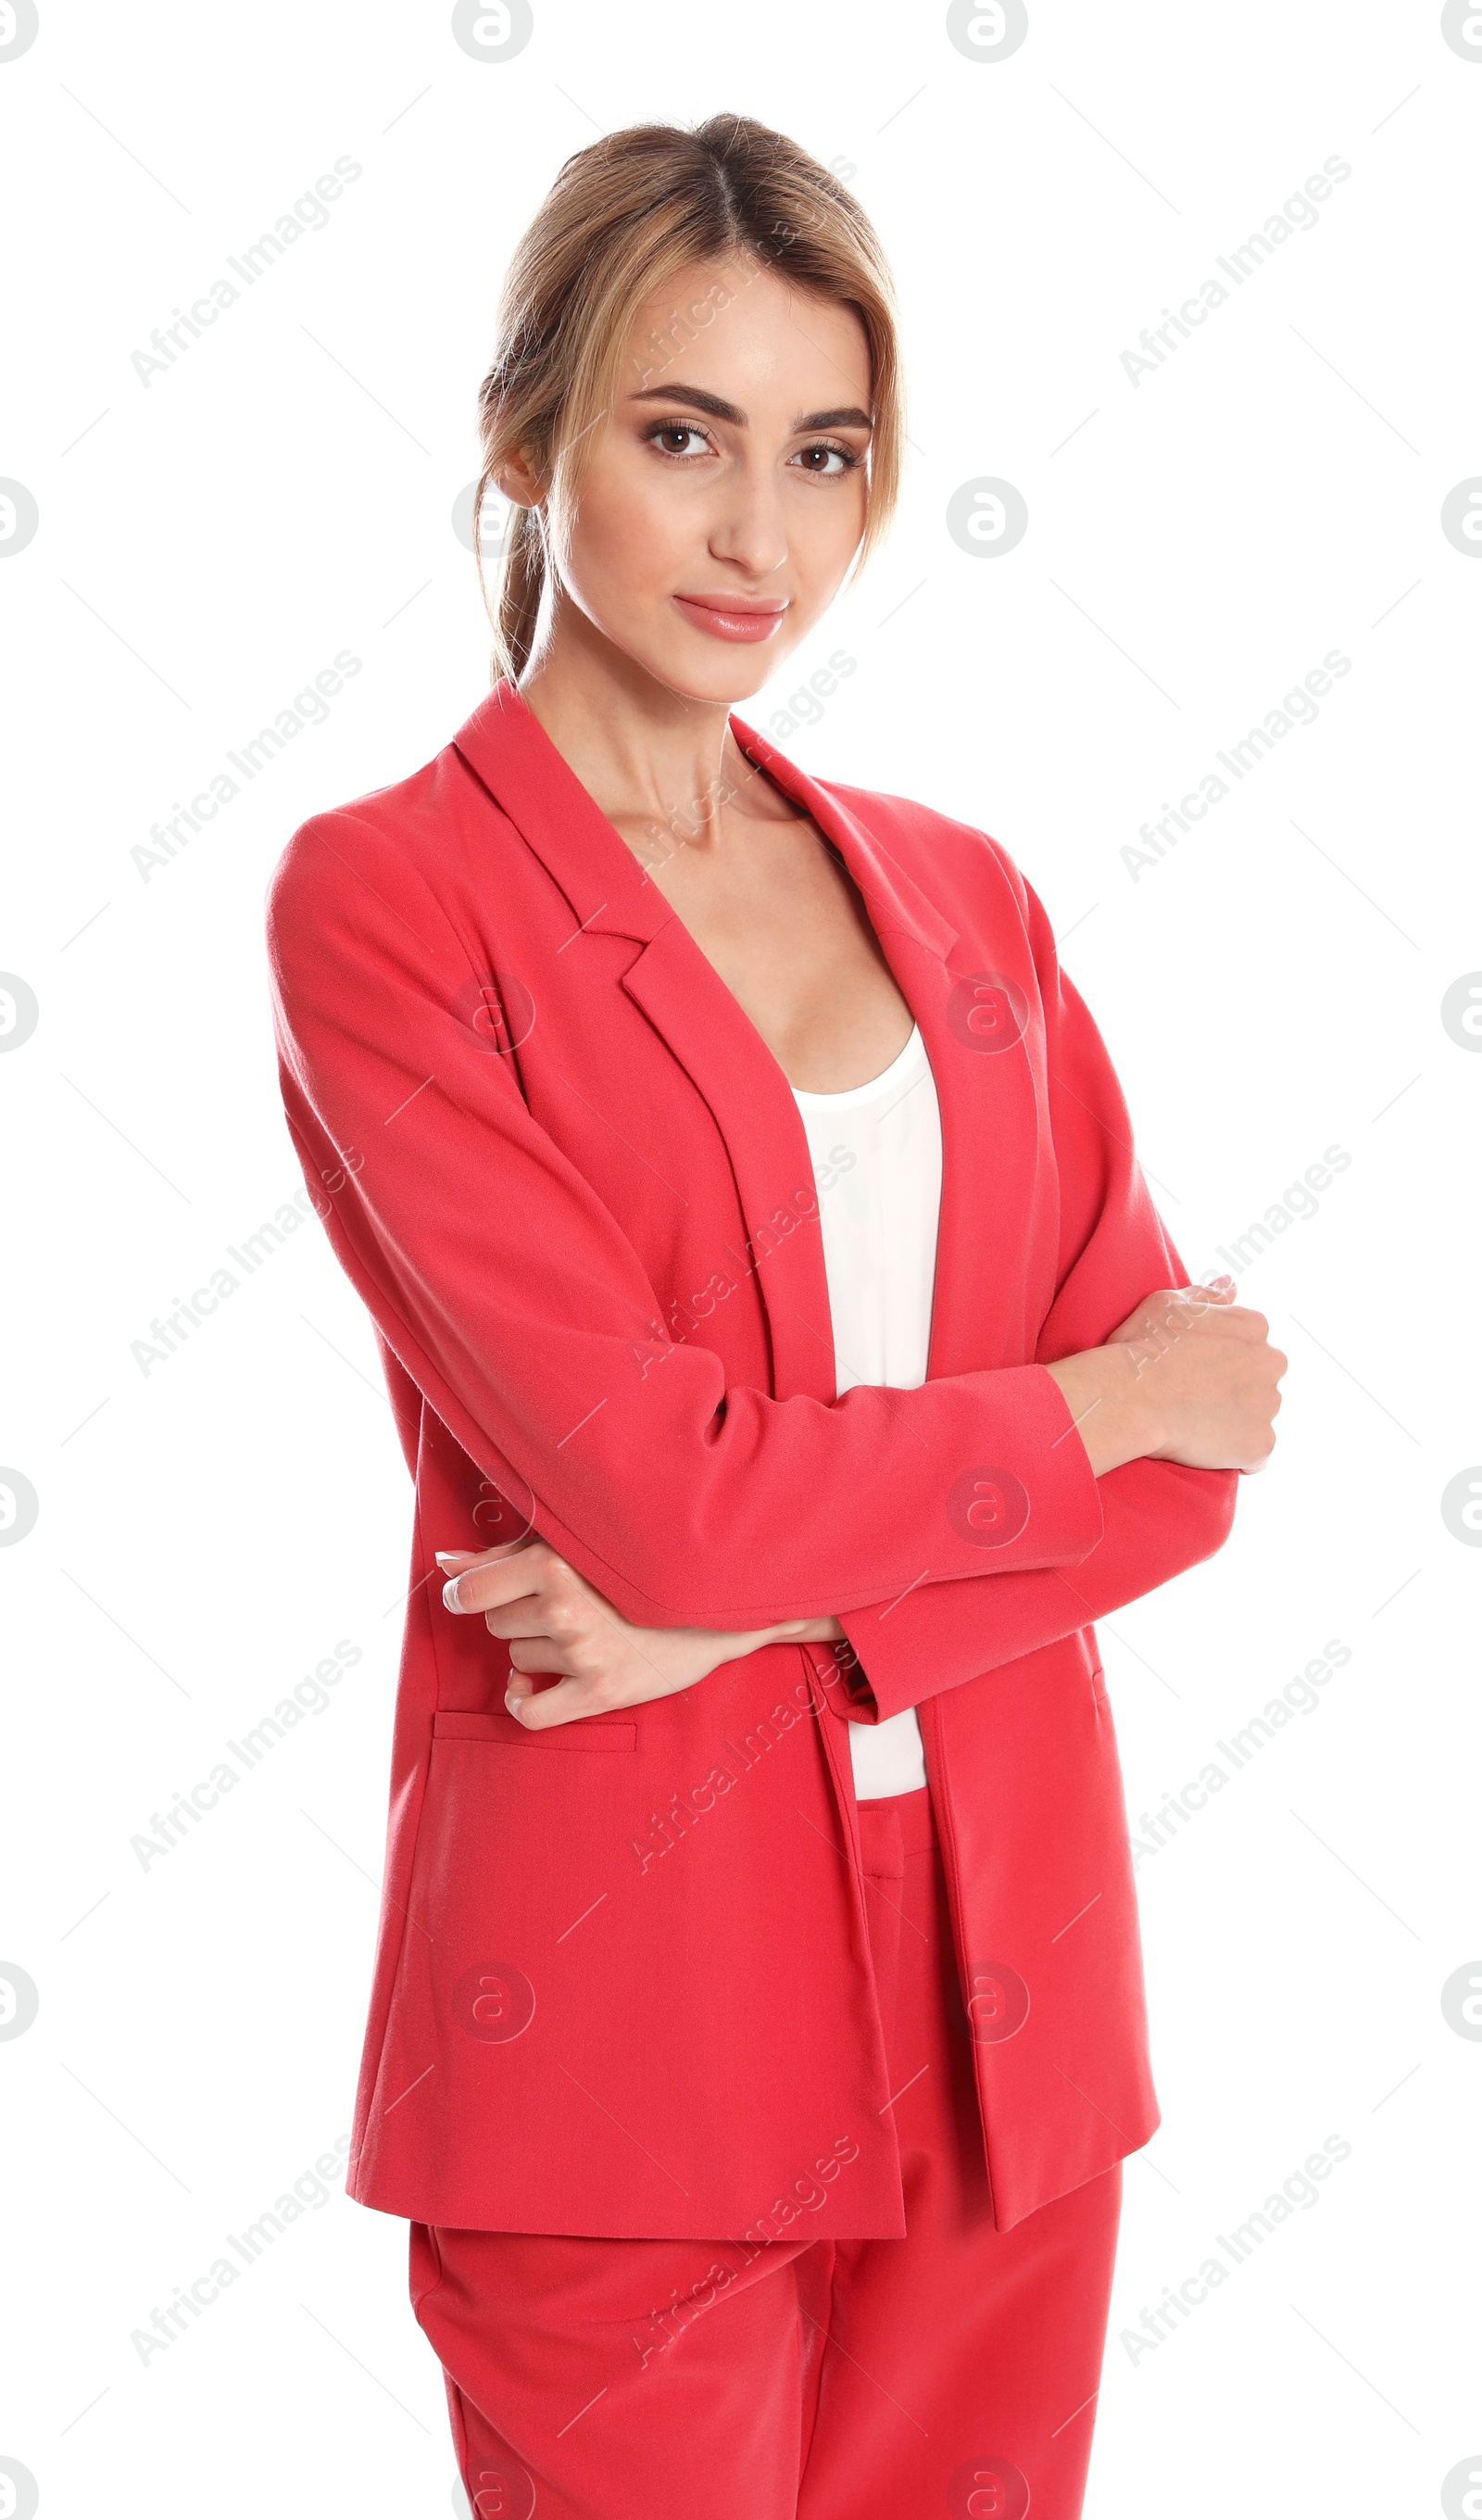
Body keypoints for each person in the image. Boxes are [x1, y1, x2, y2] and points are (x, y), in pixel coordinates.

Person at [265, 111, 1285, 2520]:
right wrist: (1100, 1403)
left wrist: (736, 1618)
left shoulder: (962, 898)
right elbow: (657, 1491)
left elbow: (1194, 1486)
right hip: (623, 2042)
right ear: (528, 444)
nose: (761, 536)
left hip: (1007, 2016)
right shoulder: (394, 907)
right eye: (679, 437)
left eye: (824, 455)